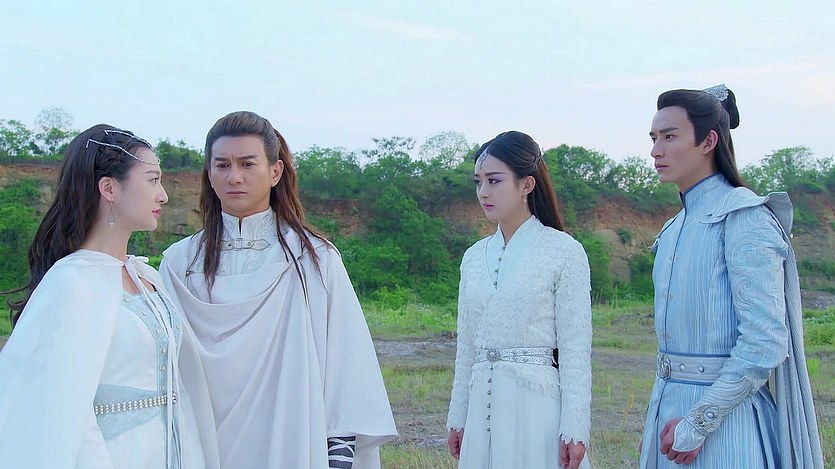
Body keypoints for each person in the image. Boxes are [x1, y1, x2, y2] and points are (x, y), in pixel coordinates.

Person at [160, 111, 397, 469]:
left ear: (275, 171)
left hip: (292, 437)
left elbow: (345, 363)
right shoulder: (180, 263)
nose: (234, 176)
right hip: (198, 445)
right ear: (208, 173)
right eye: (222, 165)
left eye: (247, 164)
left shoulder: (312, 258)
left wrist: (339, 453)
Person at [0, 125, 218, 468]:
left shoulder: (148, 278)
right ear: (109, 188)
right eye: (152, 180)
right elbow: (62, 405)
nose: (163, 195)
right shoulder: (71, 282)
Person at [639, 85, 825, 468]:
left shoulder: (744, 216)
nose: (656, 150)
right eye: (654, 138)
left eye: (670, 137)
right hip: (666, 408)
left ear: (708, 142)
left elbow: (764, 341)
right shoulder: (673, 228)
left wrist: (698, 422)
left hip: (728, 423)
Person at [446, 131, 592, 469]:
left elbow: (575, 349)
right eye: (478, 182)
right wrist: (458, 416)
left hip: (536, 411)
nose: (483, 192)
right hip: (482, 406)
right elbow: (466, 347)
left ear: (526, 184)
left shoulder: (564, 251)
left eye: (494, 180)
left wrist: (576, 427)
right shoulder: (473, 257)